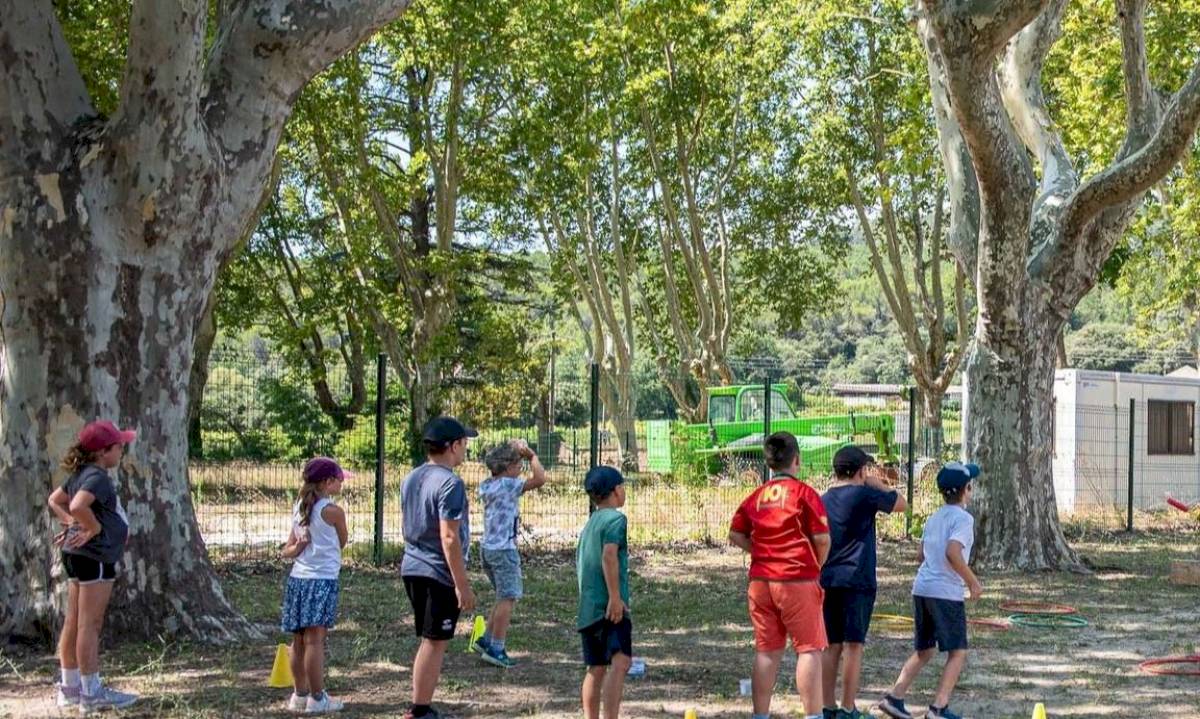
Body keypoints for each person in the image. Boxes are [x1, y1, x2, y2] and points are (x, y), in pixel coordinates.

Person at [729, 431, 831, 719]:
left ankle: (760, 715)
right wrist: (816, 564)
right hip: (796, 579)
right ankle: (813, 715)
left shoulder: (756, 496)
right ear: (796, 460)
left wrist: (760, 551)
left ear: (769, 463)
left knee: (766, 650)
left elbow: (735, 533)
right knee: (809, 649)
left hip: (761, 581)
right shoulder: (805, 494)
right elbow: (822, 539)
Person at [878, 462, 983, 719]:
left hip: (922, 588)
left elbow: (920, 554)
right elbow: (953, 552)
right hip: (945, 592)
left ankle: (895, 697)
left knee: (924, 650)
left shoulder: (934, 517)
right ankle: (938, 707)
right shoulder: (964, 519)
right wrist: (972, 581)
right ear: (966, 490)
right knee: (957, 651)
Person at [48, 420, 139, 714]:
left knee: (74, 621)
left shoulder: (79, 473)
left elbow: (56, 501)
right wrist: (92, 525)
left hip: (76, 555)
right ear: (102, 452)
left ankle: (70, 688)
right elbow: (76, 506)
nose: (122, 450)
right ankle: (91, 693)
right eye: (118, 446)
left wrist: (75, 523)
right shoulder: (97, 476)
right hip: (95, 557)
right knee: (90, 624)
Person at [400, 416, 479, 719]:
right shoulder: (451, 483)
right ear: (453, 446)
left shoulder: (412, 477)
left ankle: (421, 705)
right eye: (464, 444)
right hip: (438, 572)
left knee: (430, 640)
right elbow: (449, 537)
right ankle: (419, 709)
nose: (466, 450)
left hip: (412, 566)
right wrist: (462, 585)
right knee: (435, 642)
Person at [820, 446, 907, 719]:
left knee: (831, 644)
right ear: (860, 471)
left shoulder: (823, 499)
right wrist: (877, 483)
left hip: (829, 579)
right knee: (853, 645)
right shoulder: (866, 495)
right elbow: (902, 503)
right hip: (858, 580)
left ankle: (827, 707)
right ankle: (848, 707)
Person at [280, 457, 351, 714]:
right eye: (338, 480)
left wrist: (298, 548)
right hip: (321, 580)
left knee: (297, 640)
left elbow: (288, 549)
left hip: (298, 580)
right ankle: (318, 698)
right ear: (327, 482)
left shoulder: (299, 507)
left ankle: (299, 694)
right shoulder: (333, 511)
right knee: (315, 641)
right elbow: (342, 541)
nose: (342, 483)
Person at [473, 439, 547, 668]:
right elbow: (540, 479)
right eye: (518, 465)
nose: (521, 469)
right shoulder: (508, 485)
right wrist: (532, 456)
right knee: (508, 597)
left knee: (502, 595)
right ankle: (497, 647)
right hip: (504, 551)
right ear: (507, 468)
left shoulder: (488, 484)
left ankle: (485, 639)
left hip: (487, 550)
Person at [576, 466, 631, 719]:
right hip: (609, 607)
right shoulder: (616, 520)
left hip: (588, 609)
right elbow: (609, 556)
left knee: (595, 668)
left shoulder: (589, 526)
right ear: (617, 490)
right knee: (620, 663)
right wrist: (615, 598)